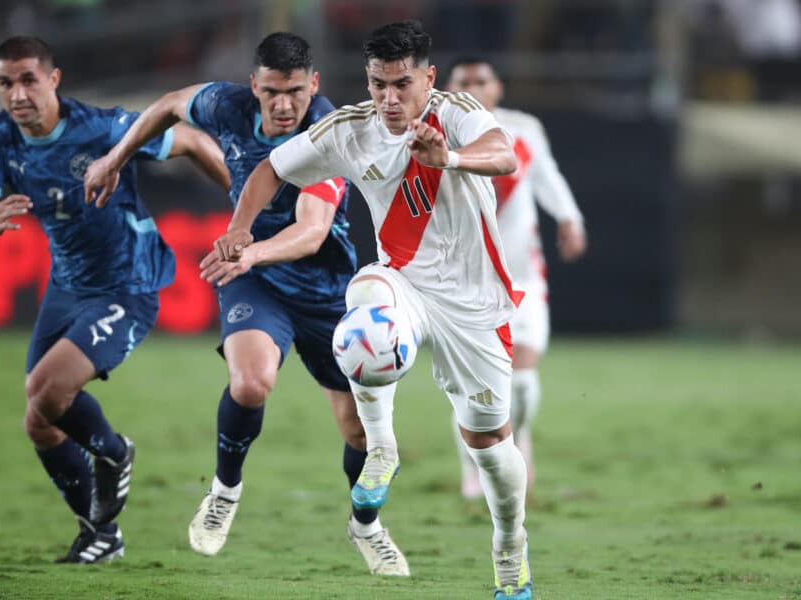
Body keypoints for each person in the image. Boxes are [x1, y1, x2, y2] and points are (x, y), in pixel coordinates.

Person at [211, 21, 534, 599]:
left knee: (490, 448)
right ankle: (381, 447)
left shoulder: (454, 112)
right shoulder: (350, 129)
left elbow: (503, 155)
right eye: (378, 83)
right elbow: (270, 170)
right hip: (403, 284)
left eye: (401, 84)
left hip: (473, 304)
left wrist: (449, 157)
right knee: (362, 305)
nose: (389, 98)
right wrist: (238, 229)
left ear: (427, 79)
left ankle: (511, 552)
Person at [83, 32, 410, 576]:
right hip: (256, 279)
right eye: (273, 92)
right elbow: (168, 107)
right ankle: (224, 491)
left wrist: (251, 250)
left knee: (358, 431)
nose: (284, 105)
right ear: (253, 86)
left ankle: (367, 527)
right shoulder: (224, 103)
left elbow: (311, 231)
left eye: (296, 92)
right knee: (251, 382)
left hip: (325, 287)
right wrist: (117, 157)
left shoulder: (330, 131)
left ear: (315, 86)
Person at [0, 36, 228, 564]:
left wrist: (245, 206)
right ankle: (99, 534)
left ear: (53, 80)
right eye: (6, 83)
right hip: (68, 288)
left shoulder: (100, 129)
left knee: (45, 388)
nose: (17, 94)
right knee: (39, 420)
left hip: (129, 282)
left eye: (28, 79)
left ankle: (114, 452)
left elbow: (191, 142)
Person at [445, 58, 587, 499]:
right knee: (475, 385)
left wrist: (570, 219)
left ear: (498, 88)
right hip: (461, 280)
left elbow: (548, 179)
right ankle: (478, 469)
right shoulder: (435, 133)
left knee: (521, 381)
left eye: (480, 80)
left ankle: (517, 435)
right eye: (462, 81)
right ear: (446, 88)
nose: (472, 87)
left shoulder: (522, 129)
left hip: (522, 278)